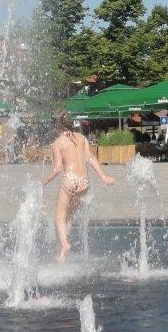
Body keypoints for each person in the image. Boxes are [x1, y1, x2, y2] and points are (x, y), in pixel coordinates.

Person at [43, 111, 116, 263]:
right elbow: (90, 158)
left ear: (58, 125)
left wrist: (42, 183)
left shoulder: (57, 143)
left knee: (59, 216)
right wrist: (104, 176)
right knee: (70, 214)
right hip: (84, 182)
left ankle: (64, 244)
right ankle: (64, 242)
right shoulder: (82, 138)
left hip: (69, 180)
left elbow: (57, 169)